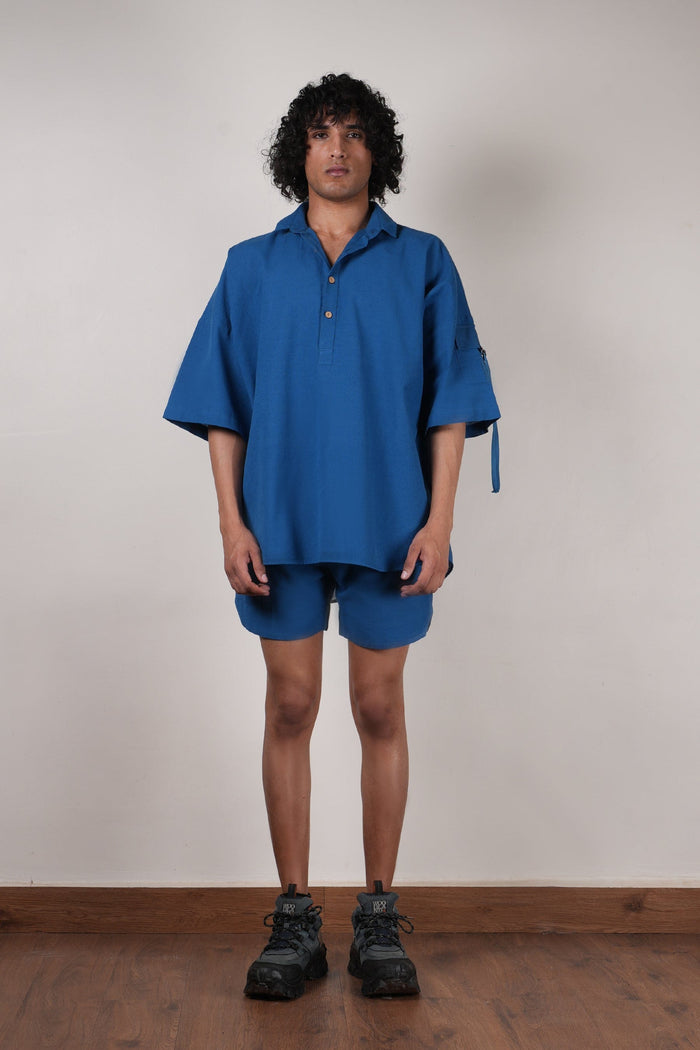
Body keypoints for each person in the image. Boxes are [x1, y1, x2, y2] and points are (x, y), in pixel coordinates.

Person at [163, 72, 500, 1001]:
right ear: (298, 151)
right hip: (279, 519)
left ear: (376, 150)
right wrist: (231, 521)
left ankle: (379, 917)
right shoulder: (250, 265)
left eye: (353, 132)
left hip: (392, 519)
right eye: (320, 132)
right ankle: (295, 917)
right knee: (290, 704)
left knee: (379, 708)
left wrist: (440, 520)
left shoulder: (423, 259)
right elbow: (221, 405)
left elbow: (452, 401)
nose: (338, 148)